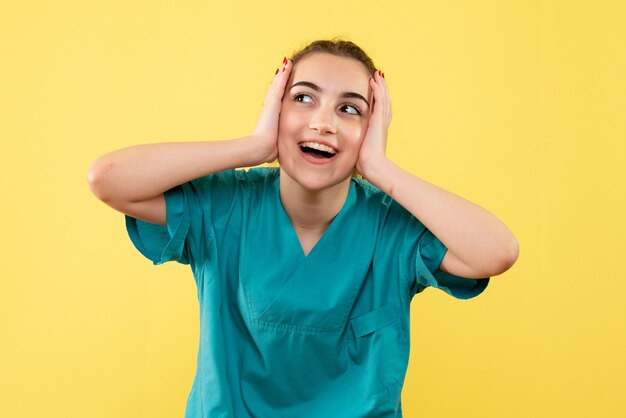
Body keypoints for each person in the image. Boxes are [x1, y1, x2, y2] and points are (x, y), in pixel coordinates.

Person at [88, 39, 518, 417]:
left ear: (372, 129)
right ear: (276, 109)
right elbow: (106, 178)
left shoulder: (393, 227)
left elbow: (496, 252)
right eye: (303, 99)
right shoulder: (227, 206)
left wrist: (380, 169)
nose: (323, 123)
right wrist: (252, 146)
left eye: (350, 109)